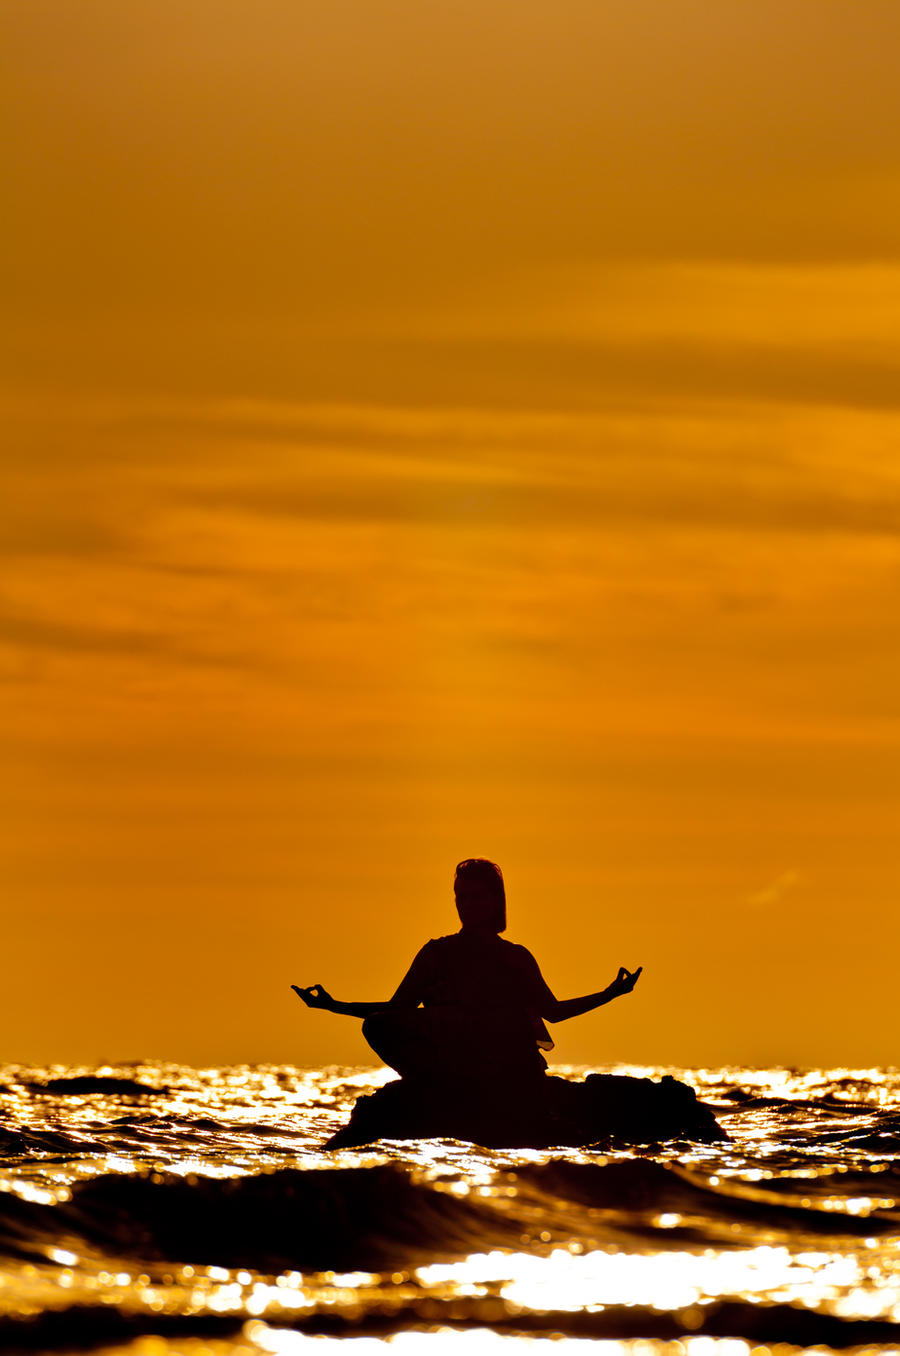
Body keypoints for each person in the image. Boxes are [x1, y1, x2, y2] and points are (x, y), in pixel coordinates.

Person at [292, 858, 642, 1084]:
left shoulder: (515, 957)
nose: (467, 905)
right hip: (451, 1062)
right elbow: (396, 1011)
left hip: (505, 1062)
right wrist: (332, 1005)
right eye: (461, 896)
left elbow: (554, 1013)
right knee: (377, 1025)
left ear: (495, 902)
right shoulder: (436, 952)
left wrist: (610, 993)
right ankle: (430, 1086)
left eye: (476, 897)